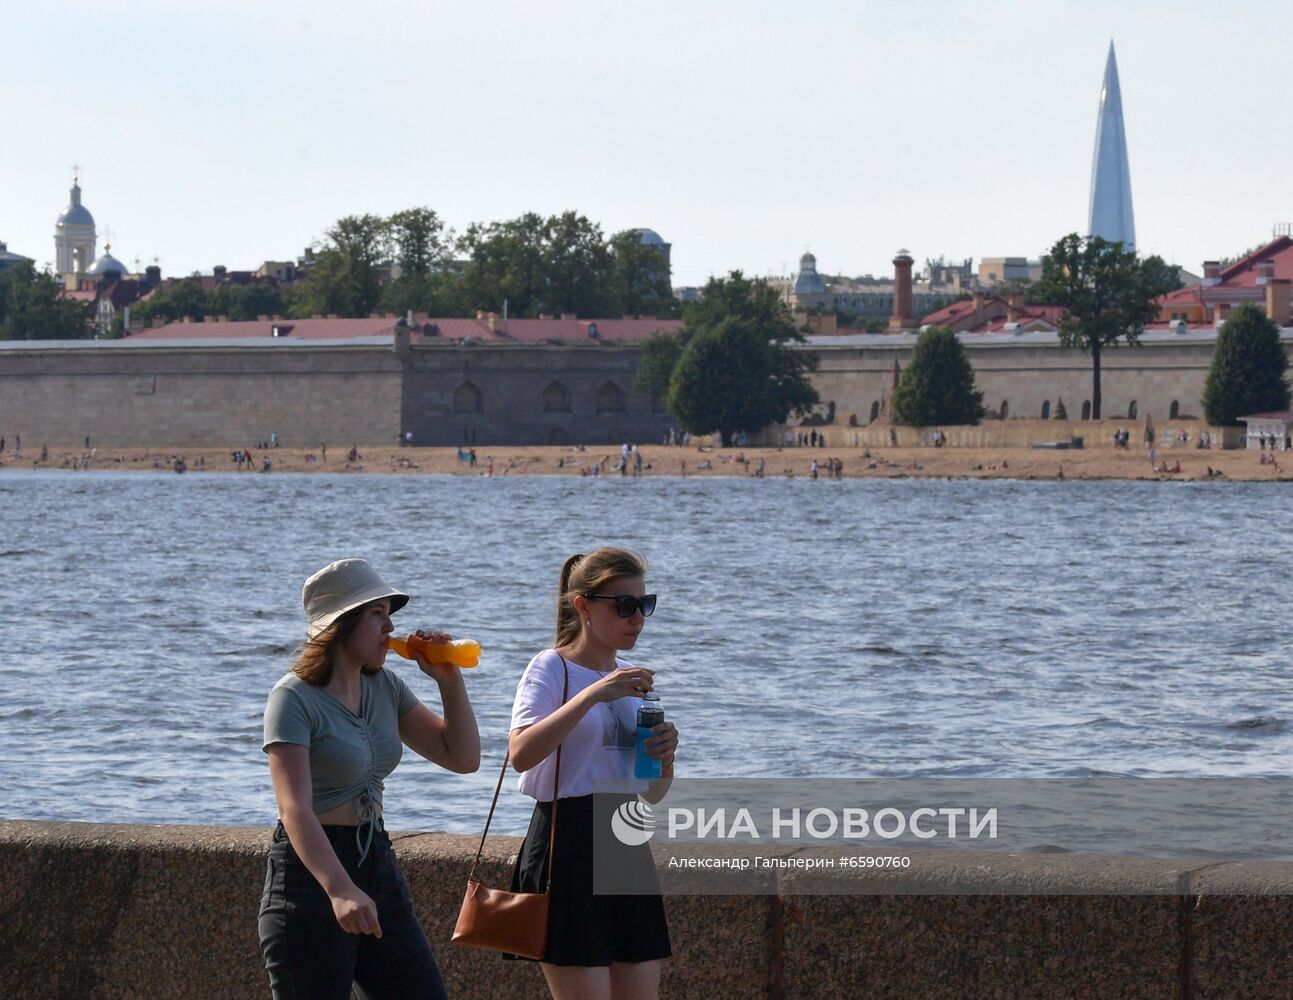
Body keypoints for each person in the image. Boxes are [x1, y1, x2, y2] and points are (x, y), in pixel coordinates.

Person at [259, 558, 480, 999]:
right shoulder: (292, 698)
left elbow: (463, 758)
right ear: (341, 624)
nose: (390, 626)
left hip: (376, 861)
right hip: (310, 877)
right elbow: (294, 808)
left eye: (389, 613)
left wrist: (449, 680)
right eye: (376, 614)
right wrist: (340, 890)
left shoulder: (385, 686)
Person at [508, 549, 678, 999]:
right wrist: (591, 696)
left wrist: (667, 758)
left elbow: (652, 793)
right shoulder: (552, 667)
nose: (637, 617)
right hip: (568, 842)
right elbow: (521, 754)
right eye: (624, 605)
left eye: (645, 604)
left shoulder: (633, 679)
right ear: (583, 605)